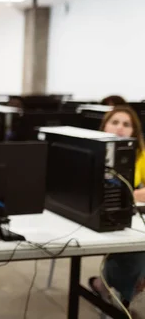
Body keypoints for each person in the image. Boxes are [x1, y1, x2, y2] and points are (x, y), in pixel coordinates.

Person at [89, 105, 145, 306]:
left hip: (129, 217)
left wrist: (130, 195)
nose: (120, 128)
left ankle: (113, 286)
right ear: (104, 127)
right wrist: (134, 195)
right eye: (114, 122)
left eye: (126, 124)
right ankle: (130, 293)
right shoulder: (90, 153)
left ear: (134, 132)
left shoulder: (140, 154)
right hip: (99, 218)